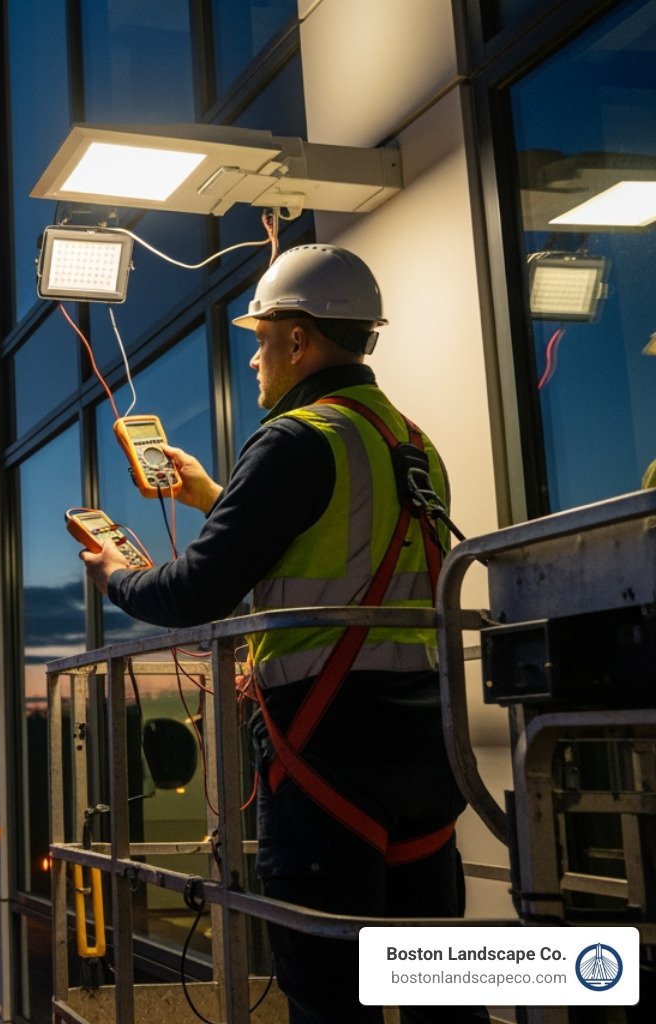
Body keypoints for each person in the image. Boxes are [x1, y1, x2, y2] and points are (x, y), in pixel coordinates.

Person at [79, 244, 486, 1024]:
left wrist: (114, 576)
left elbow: (194, 589)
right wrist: (217, 496)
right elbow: (339, 540)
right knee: (438, 990)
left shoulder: (295, 438)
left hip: (325, 751)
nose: (257, 359)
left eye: (262, 339)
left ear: (299, 340)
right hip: (424, 749)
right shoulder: (408, 440)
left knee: (328, 992)